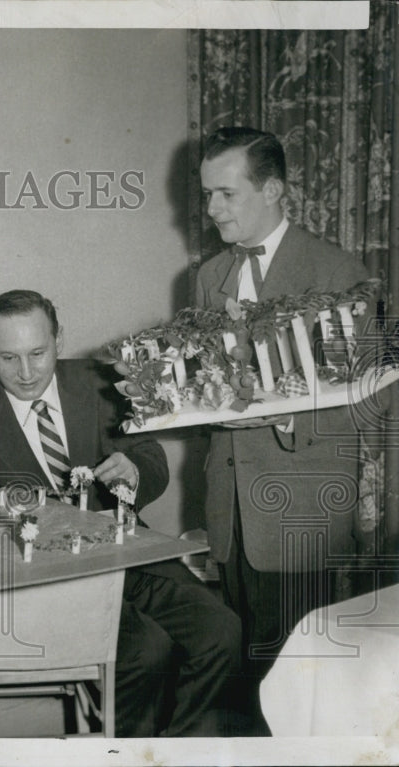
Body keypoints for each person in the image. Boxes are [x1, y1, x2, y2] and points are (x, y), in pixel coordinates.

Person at [0, 290, 243, 737]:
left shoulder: (103, 383)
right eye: (8, 357)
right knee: (146, 652)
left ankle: (178, 752)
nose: (25, 373)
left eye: (37, 353)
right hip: (44, 581)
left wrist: (134, 472)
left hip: (127, 552)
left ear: (59, 340)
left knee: (222, 631)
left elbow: (148, 453)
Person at [196, 126, 371, 722]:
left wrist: (284, 421)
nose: (211, 208)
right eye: (207, 195)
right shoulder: (206, 277)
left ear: (272, 189)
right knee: (247, 676)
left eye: (226, 193)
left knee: (301, 690)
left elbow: (367, 400)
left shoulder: (339, 273)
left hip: (303, 508)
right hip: (230, 510)